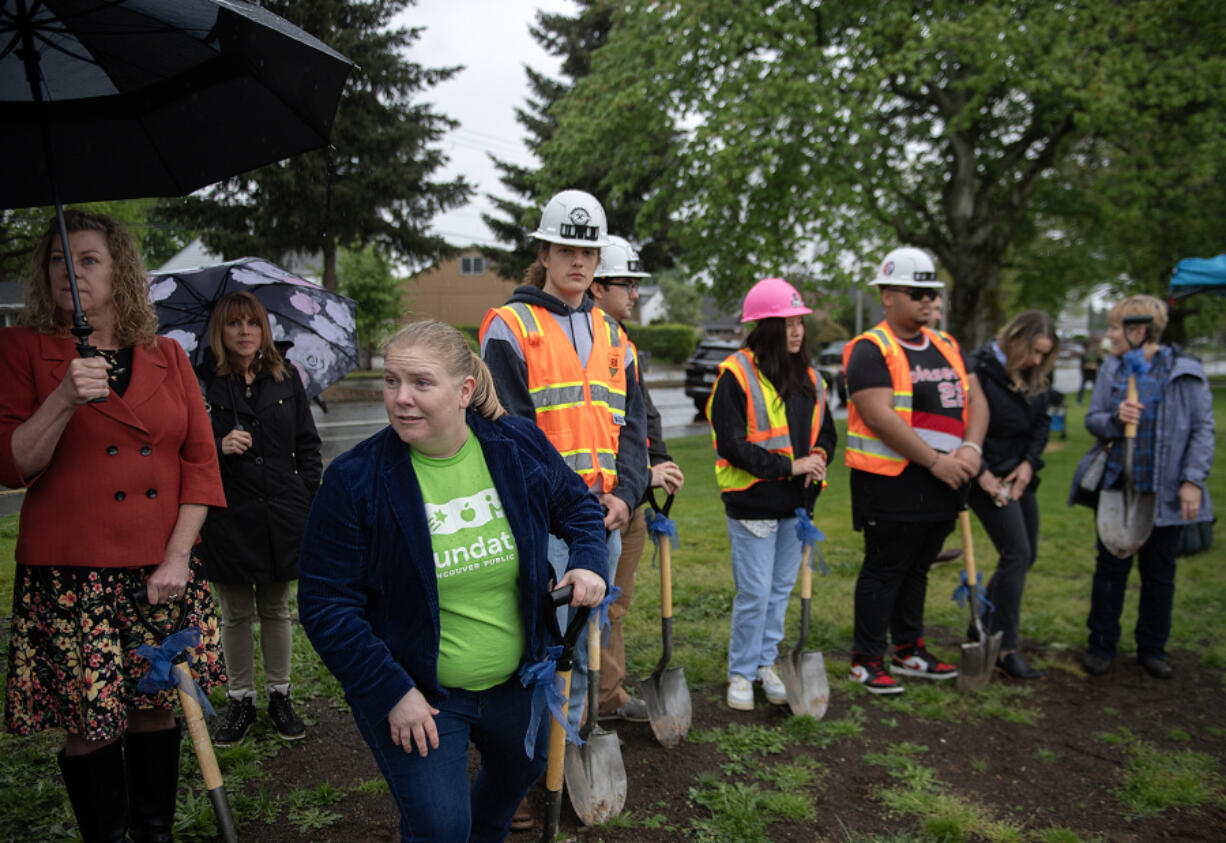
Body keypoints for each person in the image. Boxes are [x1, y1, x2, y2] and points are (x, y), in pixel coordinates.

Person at [297, 320, 608, 842]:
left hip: (518, 680)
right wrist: (391, 691)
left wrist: (589, 561)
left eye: (421, 383)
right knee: (441, 828)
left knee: (521, 772)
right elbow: (327, 604)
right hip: (417, 691)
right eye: (392, 382)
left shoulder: (516, 445)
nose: (401, 399)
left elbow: (577, 505)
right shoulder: (356, 480)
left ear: (465, 391)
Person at [0, 209, 226, 841]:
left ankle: (153, 832)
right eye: (57, 261)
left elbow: (201, 466)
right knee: (89, 719)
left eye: (88, 259)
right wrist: (63, 398)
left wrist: (178, 556)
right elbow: (14, 466)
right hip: (71, 574)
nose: (71, 273)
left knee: (156, 710)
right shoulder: (21, 350)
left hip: (162, 566)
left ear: (120, 270)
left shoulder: (168, 357)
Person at [479, 189, 649, 734]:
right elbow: (512, 435)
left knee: (587, 641)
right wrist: (575, 506)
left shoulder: (616, 338)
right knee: (545, 646)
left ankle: (569, 750)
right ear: (545, 254)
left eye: (589, 253)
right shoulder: (511, 326)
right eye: (566, 250)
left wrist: (626, 495)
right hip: (547, 521)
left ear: (598, 261)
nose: (578, 262)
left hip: (606, 516)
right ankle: (531, 773)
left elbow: (634, 430)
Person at [843, 246, 988, 695]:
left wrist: (971, 448)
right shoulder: (871, 349)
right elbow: (877, 413)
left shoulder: (947, 345)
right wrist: (935, 461)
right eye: (917, 292)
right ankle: (867, 660)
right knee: (885, 567)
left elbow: (976, 400)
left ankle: (909, 649)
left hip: (945, 481)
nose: (928, 301)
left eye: (932, 293)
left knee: (918, 568)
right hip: (890, 483)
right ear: (887, 296)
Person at [195, 291, 322, 745]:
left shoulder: (285, 378)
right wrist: (217, 446)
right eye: (234, 324)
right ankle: (241, 699)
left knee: (275, 609)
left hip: (281, 513)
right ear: (220, 331)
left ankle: (280, 694)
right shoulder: (201, 382)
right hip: (228, 514)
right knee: (234, 613)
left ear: (264, 329)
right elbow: (184, 449)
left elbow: (308, 445)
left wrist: (306, 495)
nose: (245, 331)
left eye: (252, 323)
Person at [708, 277, 837, 711]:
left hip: (797, 508)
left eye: (800, 321)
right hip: (753, 505)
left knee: (780, 590)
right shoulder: (736, 374)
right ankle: (741, 673)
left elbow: (828, 434)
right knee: (755, 593)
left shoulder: (811, 379)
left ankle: (765, 664)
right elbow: (732, 444)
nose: (798, 330)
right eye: (787, 322)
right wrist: (790, 466)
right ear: (764, 327)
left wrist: (819, 455)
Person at [1071, 295, 1214, 680]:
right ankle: (1101, 645)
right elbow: (1093, 418)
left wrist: (1191, 481)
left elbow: (1202, 429)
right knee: (1110, 571)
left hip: (1165, 491)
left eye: (1115, 328)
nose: (1109, 336)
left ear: (1139, 330)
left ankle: (1152, 648)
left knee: (1160, 574)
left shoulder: (1184, 371)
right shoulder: (1114, 369)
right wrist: (1115, 417)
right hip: (1121, 487)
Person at [587, 236, 686, 722]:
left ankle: (607, 695)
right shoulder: (579, 345)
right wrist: (643, 475)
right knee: (584, 611)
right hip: (594, 501)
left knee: (615, 609)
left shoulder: (622, 344)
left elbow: (642, 418)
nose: (635, 294)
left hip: (631, 498)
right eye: (627, 283)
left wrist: (659, 465)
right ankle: (579, 707)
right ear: (596, 287)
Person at [968, 311, 1059, 680]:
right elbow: (966, 422)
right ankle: (1005, 648)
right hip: (986, 476)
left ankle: (983, 626)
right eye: (1034, 351)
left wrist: (1028, 464)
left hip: (1017, 476)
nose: (1037, 361)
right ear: (1017, 337)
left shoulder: (1033, 376)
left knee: (1025, 555)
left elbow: (1041, 423)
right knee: (1016, 554)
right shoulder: (979, 369)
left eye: (1044, 355)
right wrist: (983, 473)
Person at [1077, 337, 1101, 404]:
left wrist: (1096, 365)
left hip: (1093, 374)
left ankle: (1098, 402)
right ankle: (1078, 401)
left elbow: (1100, 363)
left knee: (1096, 389)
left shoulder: (1096, 354)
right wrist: (1089, 366)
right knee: (1082, 389)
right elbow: (1082, 365)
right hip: (1086, 374)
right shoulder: (1084, 355)